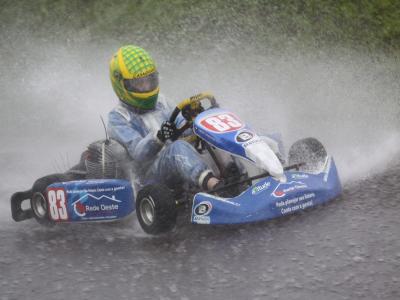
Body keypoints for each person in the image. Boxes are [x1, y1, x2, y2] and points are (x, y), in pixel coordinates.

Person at [107, 45, 220, 191]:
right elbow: (138, 153)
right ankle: (216, 187)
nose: (147, 87)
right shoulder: (118, 117)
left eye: (149, 80)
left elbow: (181, 126)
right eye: (139, 83)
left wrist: (193, 120)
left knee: (210, 135)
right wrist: (158, 137)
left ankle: (236, 175)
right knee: (176, 148)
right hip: (149, 178)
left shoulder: (161, 102)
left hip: (178, 162)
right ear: (122, 85)